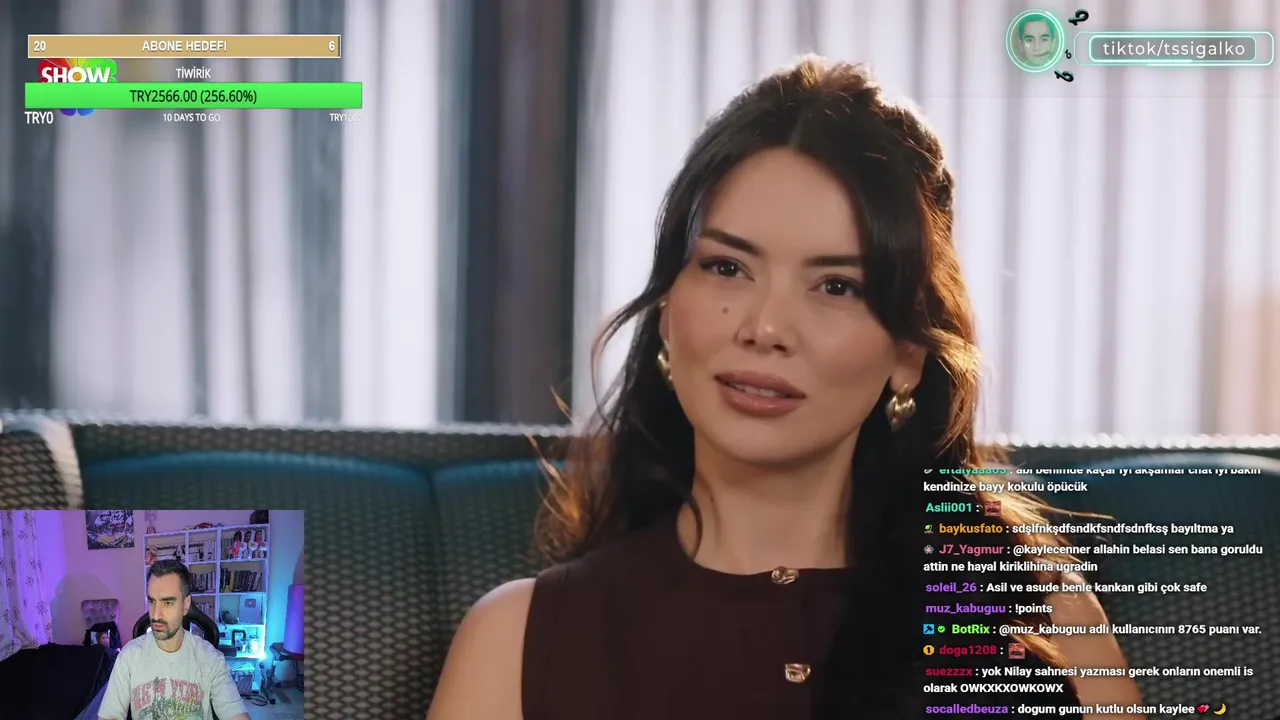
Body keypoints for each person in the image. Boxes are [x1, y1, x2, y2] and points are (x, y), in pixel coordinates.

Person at [428, 57, 1145, 719]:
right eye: (727, 268)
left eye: (836, 286)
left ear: (907, 356)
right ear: (668, 312)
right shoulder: (519, 640)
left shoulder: (1035, 614)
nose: (765, 327)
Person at [98, 560, 249, 720]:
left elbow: (235, 714)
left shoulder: (210, 658)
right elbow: (109, 716)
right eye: (152, 601)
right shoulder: (128, 656)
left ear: (186, 604)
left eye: (168, 602)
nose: (155, 614)